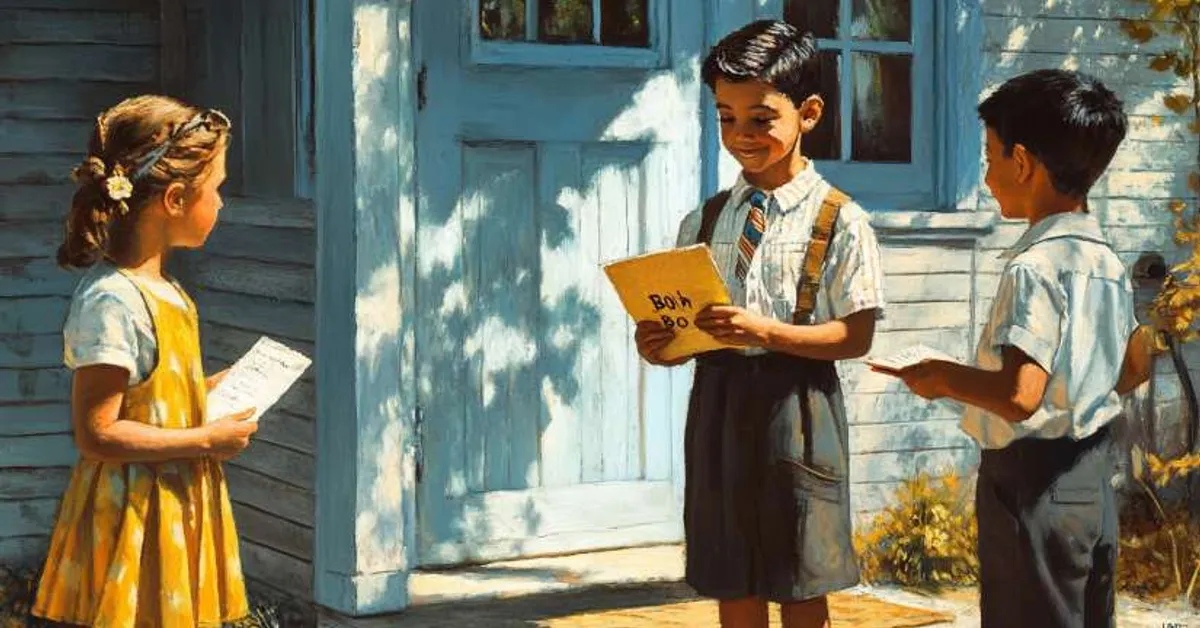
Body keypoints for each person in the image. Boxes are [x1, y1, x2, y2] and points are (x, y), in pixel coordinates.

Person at [635, 19, 884, 628]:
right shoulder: (705, 220)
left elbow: (856, 336)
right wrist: (658, 345)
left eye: (760, 118)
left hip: (800, 408)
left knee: (800, 571)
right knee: (732, 569)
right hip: (719, 405)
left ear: (810, 113)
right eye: (726, 117)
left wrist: (766, 332)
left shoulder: (841, 220)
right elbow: (678, 336)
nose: (741, 135)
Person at [883, 69, 1131, 627]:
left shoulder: (1033, 267)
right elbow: (1133, 364)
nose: (989, 175)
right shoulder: (1106, 261)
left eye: (991, 157)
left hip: (1030, 483)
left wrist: (941, 377)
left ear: (1022, 162)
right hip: (1091, 480)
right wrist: (1082, 394)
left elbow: (1021, 397)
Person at [31, 95, 258, 627]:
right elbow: (98, 433)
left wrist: (206, 390)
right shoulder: (112, 300)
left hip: (175, 500)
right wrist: (206, 440)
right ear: (175, 199)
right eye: (217, 190)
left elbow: (153, 394)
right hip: (133, 511)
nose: (222, 205)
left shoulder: (168, 291)